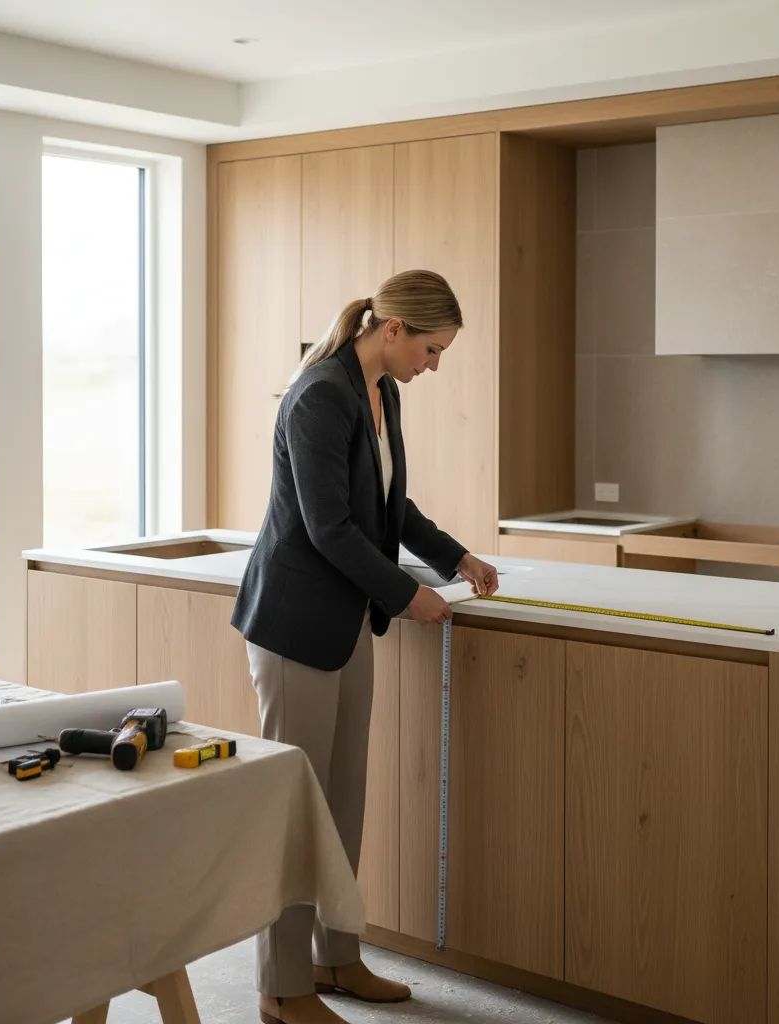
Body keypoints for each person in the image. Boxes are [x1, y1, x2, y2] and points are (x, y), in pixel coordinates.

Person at [231, 269, 499, 1024]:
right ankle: (282, 988)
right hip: (294, 627)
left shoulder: (383, 393)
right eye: (433, 348)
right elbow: (328, 528)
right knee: (295, 809)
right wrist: (406, 594)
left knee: (342, 800)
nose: (434, 365)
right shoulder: (320, 394)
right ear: (393, 331)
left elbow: (388, 506)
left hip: (346, 622)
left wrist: (455, 558)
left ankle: (337, 958)